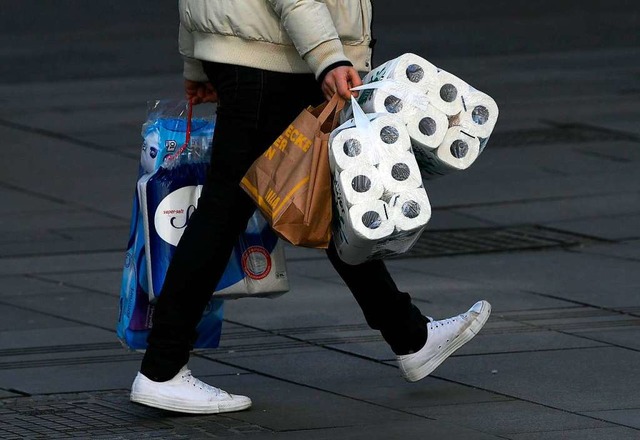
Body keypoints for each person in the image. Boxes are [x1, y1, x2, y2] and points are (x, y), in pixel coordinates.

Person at [130, 0, 491, 414]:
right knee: (225, 208)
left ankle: (410, 336)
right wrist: (329, 57)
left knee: (329, 197)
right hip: (276, 56)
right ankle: (161, 369)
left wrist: (197, 61)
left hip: (253, 49)